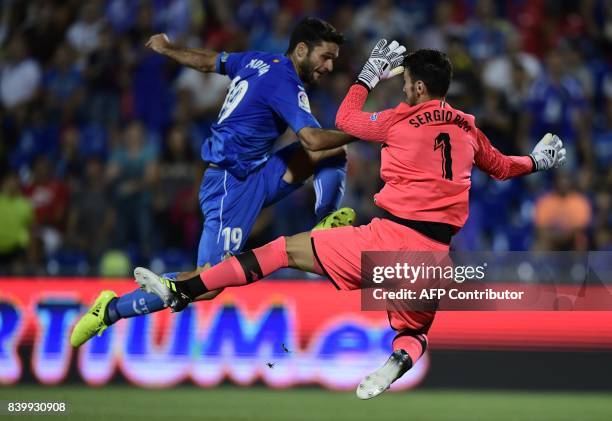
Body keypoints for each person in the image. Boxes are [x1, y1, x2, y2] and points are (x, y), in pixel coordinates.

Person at [129, 41, 567, 399]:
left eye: (405, 84)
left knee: (278, 251)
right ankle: (397, 363)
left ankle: (182, 289)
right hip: (434, 256)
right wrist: (537, 160)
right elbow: (505, 168)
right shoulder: (469, 128)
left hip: (384, 237)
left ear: (415, 88)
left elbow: (343, 121)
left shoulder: (400, 118)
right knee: (414, 333)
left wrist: (368, 75)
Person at [71, 17, 356, 347]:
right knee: (207, 284)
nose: (330, 66)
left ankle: (325, 227)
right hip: (229, 184)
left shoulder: (258, 60)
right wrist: (371, 129)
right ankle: (111, 310)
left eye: (334, 58)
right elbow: (311, 138)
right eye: (326, 56)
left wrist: (168, 49)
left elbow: (210, 61)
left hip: (258, 172)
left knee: (334, 149)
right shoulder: (284, 81)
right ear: (302, 49)